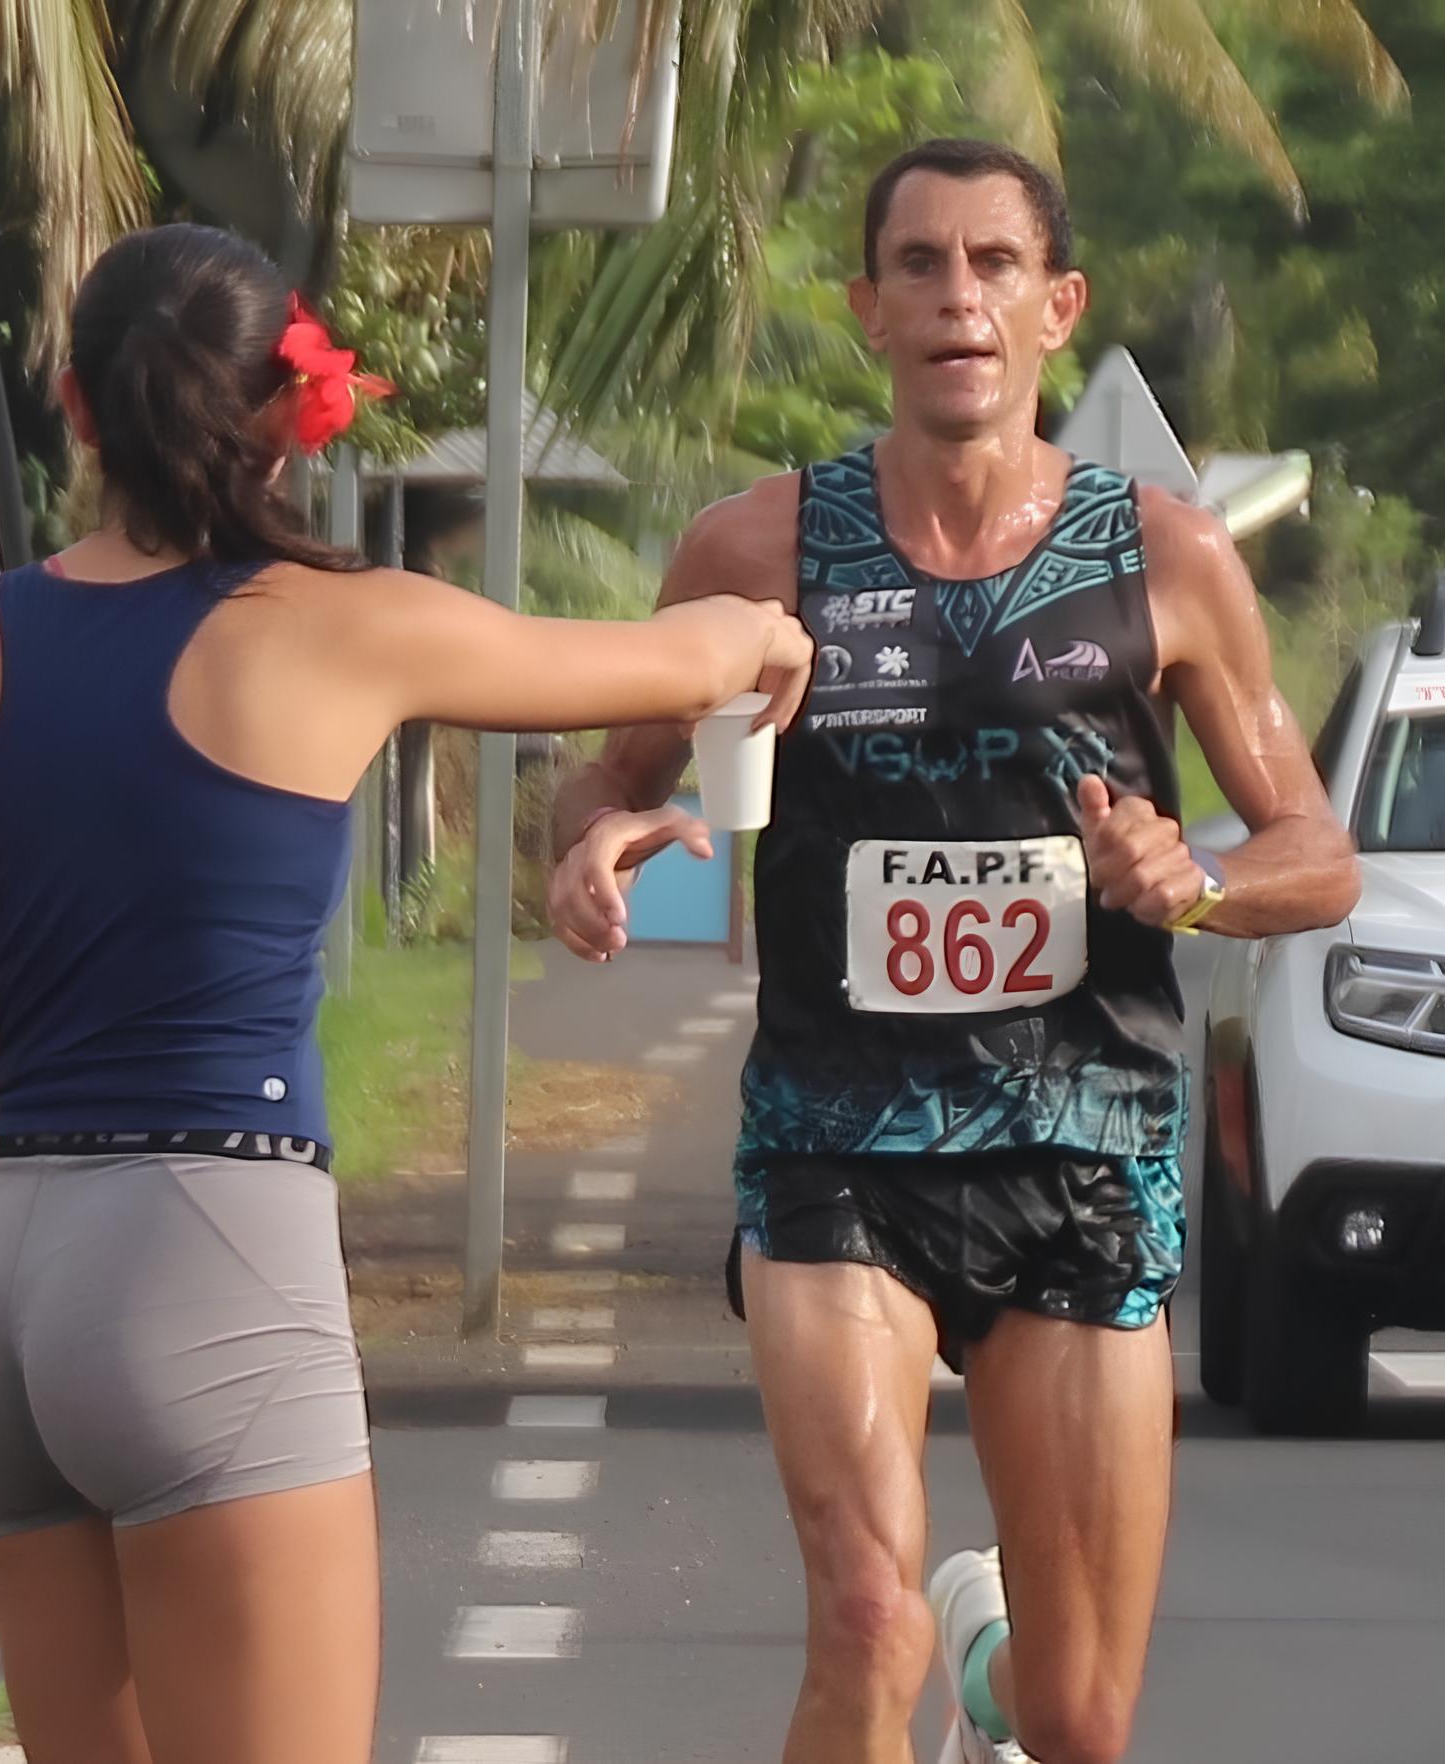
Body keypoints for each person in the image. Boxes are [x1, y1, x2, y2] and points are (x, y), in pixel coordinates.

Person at [0, 221, 814, 1764]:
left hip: (5, 1294)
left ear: (74, 402)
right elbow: (659, 659)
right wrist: (760, 632)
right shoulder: (336, 623)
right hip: (205, 1259)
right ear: (299, 412)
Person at [548, 138, 1361, 1764]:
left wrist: (1187, 881)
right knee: (860, 1612)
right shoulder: (755, 548)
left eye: (992, 264)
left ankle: (988, 1669)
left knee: (1075, 1713)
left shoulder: (1166, 556)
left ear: (1055, 307)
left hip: (1084, 1140)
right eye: (916, 264)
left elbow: (1314, 853)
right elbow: (606, 771)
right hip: (837, 1141)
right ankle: (925, 1639)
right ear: (865, 310)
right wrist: (589, 844)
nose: (955, 296)